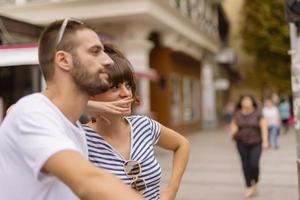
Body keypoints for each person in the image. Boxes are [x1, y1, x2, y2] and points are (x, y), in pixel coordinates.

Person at [0, 18, 144, 200]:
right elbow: (88, 182)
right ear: (64, 60)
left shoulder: (72, 126)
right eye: (95, 51)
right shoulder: (32, 114)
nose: (107, 61)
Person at [82, 44, 190, 200]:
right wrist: (87, 105)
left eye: (128, 85)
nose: (126, 93)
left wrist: (172, 189)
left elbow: (182, 144)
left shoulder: (143, 125)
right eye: (114, 87)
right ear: (92, 94)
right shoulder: (81, 138)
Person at [229, 94, 268, 198]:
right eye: (244, 100)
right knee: (245, 164)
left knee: (254, 164)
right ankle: (248, 186)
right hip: (241, 142)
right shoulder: (237, 114)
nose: (246, 102)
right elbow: (233, 126)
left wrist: (265, 141)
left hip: (256, 142)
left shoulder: (258, 113)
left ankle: (255, 180)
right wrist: (233, 131)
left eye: (248, 100)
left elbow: (264, 127)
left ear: (252, 102)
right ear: (241, 102)